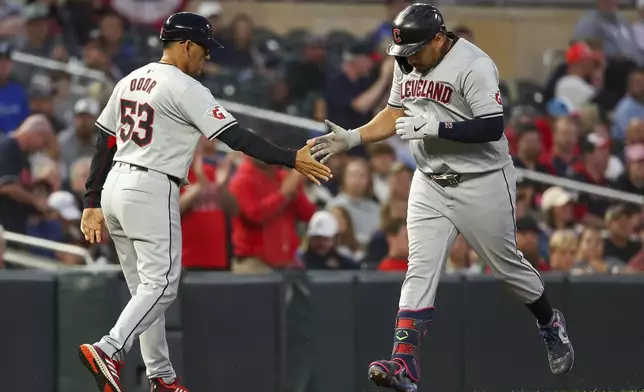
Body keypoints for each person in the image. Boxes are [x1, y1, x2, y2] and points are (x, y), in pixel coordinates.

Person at [309, 4, 574, 391]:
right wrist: (354, 136)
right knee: (420, 265)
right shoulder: (409, 60)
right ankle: (404, 363)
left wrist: (436, 126)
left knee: (507, 269)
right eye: (404, 53)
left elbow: (492, 126)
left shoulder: (474, 64)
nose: (408, 59)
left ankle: (549, 322)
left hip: (481, 179)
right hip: (430, 180)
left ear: (439, 39)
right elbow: (393, 111)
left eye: (415, 50)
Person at [77, 12, 331, 392]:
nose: (207, 57)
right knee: (162, 287)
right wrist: (292, 157)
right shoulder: (184, 86)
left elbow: (105, 142)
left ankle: (161, 377)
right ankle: (110, 348)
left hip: (115, 186)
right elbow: (238, 138)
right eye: (205, 49)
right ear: (186, 45)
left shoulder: (131, 78)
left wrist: (91, 200)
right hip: (151, 186)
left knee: (145, 293)